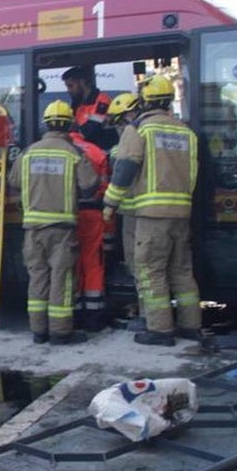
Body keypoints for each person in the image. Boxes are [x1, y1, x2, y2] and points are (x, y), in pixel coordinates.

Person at [102, 76, 201, 347]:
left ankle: (160, 330)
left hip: (152, 216)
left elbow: (125, 169)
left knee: (150, 271)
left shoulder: (140, 130)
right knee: (181, 270)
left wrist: (110, 204)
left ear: (144, 100)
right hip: (181, 213)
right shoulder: (186, 132)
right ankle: (191, 326)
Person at [11, 101, 99, 345]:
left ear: (46, 124)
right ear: (69, 124)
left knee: (38, 278)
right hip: (62, 229)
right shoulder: (73, 154)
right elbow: (90, 186)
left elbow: (14, 182)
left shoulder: (29, 153)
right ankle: (60, 332)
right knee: (62, 278)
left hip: (32, 230)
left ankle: (39, 331)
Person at [105, 92, 144, 330]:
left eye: (119, 121)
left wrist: (109, 204)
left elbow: (122, 172)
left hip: (136, 214)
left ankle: (148, 317)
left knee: (140, 265)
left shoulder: (132, 137)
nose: (118, 128)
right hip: (151, 212)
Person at [68, 130, 110, 332]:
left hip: (68, 215)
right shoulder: (97, 152)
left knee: (71, 264)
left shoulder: (58, 151)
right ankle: (94, 318)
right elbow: (104, 188)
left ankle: (74, 313)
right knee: (93, 263)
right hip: (93, 213)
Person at [62, 65, 119, 150]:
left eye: (71, 86)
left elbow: (93, 127)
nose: (68, 90)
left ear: (82, 82)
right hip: (83, 148)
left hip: (100, 149)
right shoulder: (77, 103)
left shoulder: (102, 100)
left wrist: (73, 133)